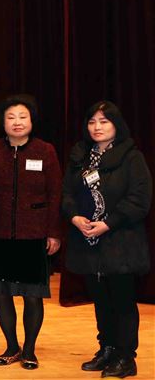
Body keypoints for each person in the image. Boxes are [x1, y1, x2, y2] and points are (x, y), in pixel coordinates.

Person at [62, 101, 151, 379]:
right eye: (92, 122)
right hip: (88, 241)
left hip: (120, 240)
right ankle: (107, 349)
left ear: (116, 125)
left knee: (122, 301)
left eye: (104, 121)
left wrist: (109, 223)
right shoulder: (81, 156)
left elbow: (140, 199)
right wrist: (74, 217)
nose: (97, 127)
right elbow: (66, 193)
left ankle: (126, 357)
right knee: (101, 300)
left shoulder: (131, 157)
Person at [0, 95, 62, 370]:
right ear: (3, 122)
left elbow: (55, 193)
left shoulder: (45, 150)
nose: (17, 122)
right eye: (11, 117)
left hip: (34, 233)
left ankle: (29, 350)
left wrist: (54, 232)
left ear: (32, 120)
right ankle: (11, 346)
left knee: (32, 295)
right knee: (1, 292)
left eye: (22, 116)